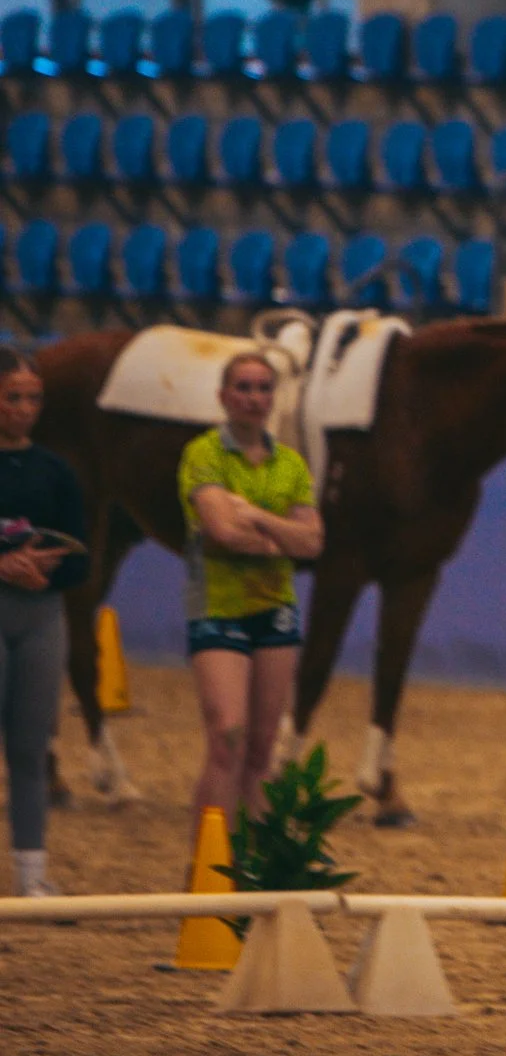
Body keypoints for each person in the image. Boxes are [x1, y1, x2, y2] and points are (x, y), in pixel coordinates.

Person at [178, 352, 322, 832]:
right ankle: (208, 870)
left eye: (264, 388)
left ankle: (254, 867)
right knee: (226, 739)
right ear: (223, 397)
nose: (255, 398)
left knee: (261, 749)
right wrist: (281, 538)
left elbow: (313, 541)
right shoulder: (204, 454)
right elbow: (221, 529)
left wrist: (258, 518)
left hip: (274, 609)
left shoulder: (291, 464)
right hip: (217, 607)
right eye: (244, 387)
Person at [0, 348, 85, 897]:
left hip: (40, 617)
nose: (25, 409)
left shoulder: (55, 471)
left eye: (34, 399)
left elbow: (81, 556)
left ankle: (32, 874)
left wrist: (42, 571)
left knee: (30, 748)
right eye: (13, 398)